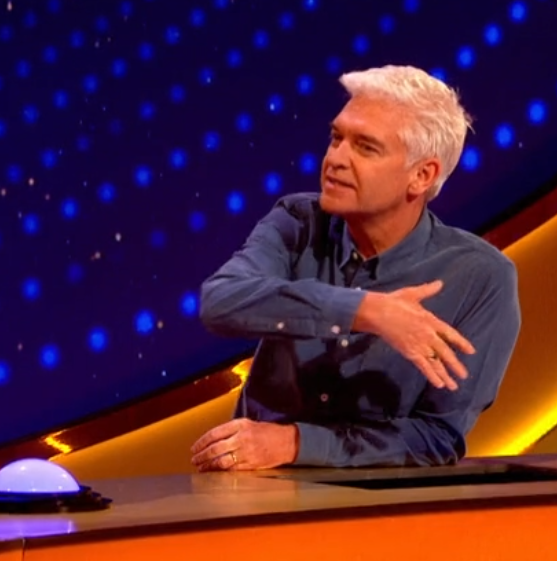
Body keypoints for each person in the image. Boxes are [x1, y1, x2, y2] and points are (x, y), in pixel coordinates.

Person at [192, 65, 521, 470]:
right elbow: (221, 302)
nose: (335, 159)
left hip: (377, 510)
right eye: (336, 138)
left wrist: (297, 443)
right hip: (256, 491)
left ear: (421, 176)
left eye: (365, 147)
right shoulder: (297, 221)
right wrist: (364, 311)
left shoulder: (479, 277)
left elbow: (437, 438)